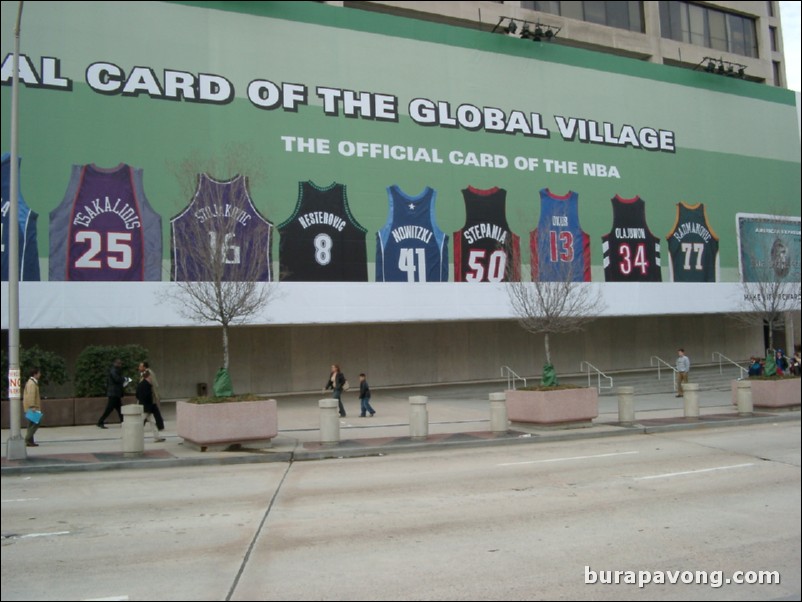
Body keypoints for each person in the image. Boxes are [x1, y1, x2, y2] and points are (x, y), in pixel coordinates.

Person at [137, 369, 165, 442]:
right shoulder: (147, 385)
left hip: (145, 406)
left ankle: (157, 437)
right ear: (149, 376)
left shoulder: (141, 384)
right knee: (141, 422)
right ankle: (134, 435)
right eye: (151, 376)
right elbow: (147, 396)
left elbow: (137, 395)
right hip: (147, 407)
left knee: (152, 422)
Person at [97, 358, 125, 428]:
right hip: (114, 393)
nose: (120, 365)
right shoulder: (114, 371)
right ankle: (100, 421)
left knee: (119, 409)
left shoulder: (115, 371)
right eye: (119, 363)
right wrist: (124, 378)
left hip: (115, 393)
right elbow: (117, 379)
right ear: (115, 363)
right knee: (109, 409)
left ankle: (123, 422)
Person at [23, 367, 42, 447]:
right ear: (35, 374)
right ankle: (27, 439)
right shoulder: (32, 383)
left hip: (30, 407)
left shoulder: (32, 382)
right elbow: (31, 395)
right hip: (32, 407)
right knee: (36, 423)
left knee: (31, 424)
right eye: (39, 373)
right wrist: (32, 406)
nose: (40, 375)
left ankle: (30, 441)